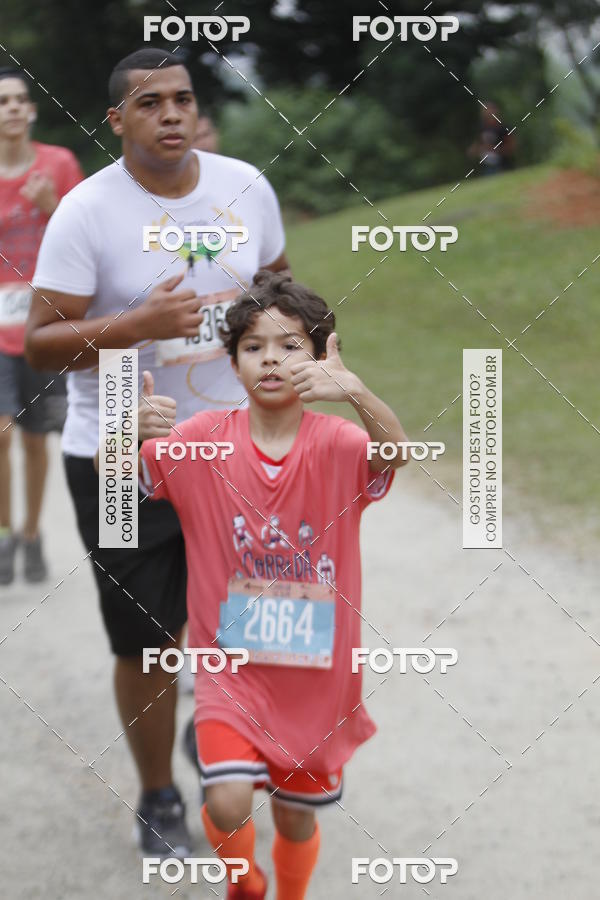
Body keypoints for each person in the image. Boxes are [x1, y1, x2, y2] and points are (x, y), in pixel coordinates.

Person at [26, 48, 289, 857]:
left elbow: (280, 285)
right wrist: (132, 328)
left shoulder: (245, 184)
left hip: (234, 447)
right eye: (149, 103)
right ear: (117, 121)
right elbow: (39, 344)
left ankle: (216, 738)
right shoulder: (86, 211)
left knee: (246, 616)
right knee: (144, 640)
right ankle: (157, 799)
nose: (170, 114)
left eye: (181, 99)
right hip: (116, 455)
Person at [136, 270, 410, 899]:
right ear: (233, 362)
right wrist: (126, 431)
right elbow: (113, 482)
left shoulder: (339, 443)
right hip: (229, 670)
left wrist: (359, 393)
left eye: (291, 346)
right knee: (228, 801)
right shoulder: (203, 442)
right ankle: (244, 883)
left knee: (293, 815)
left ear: (320, 356)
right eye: (254, 346)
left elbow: (396, 452)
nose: (271, 360)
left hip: (315, 674)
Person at [0, 68, 83, 585]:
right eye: (2, 100)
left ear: (31, 110)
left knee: (34, 441)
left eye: (20, 100)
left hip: (43, 325)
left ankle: (32, 534)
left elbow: (83, 239)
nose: (11, 107)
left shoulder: (60, 164)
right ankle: (6, 533)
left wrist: (54, 208)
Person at [468, 102, 516, 175]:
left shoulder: (502, 127)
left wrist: (496, 150)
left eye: (490, 109)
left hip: (502, 164)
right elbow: (478, 143)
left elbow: (511, 146)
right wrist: (475, 150)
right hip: (486, 164)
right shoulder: (482, 127)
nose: (487, 112)